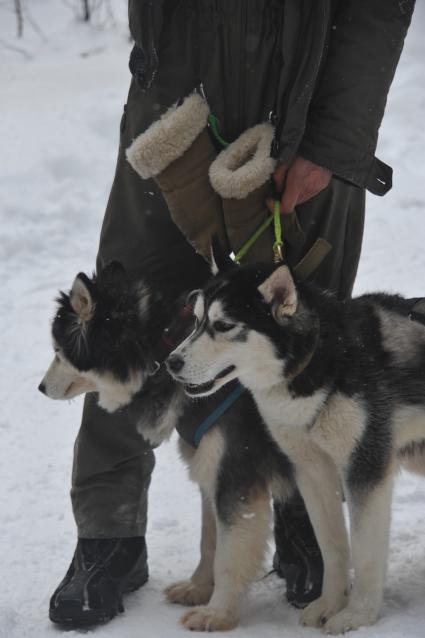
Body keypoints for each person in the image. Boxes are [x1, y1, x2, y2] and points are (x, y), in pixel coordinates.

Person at [48, 0, 416, 628]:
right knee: (116, 323)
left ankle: (304, 522)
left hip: (305, 105)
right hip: (171, 102)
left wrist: (334, 140)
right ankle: (108, 533)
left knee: (303, 340)